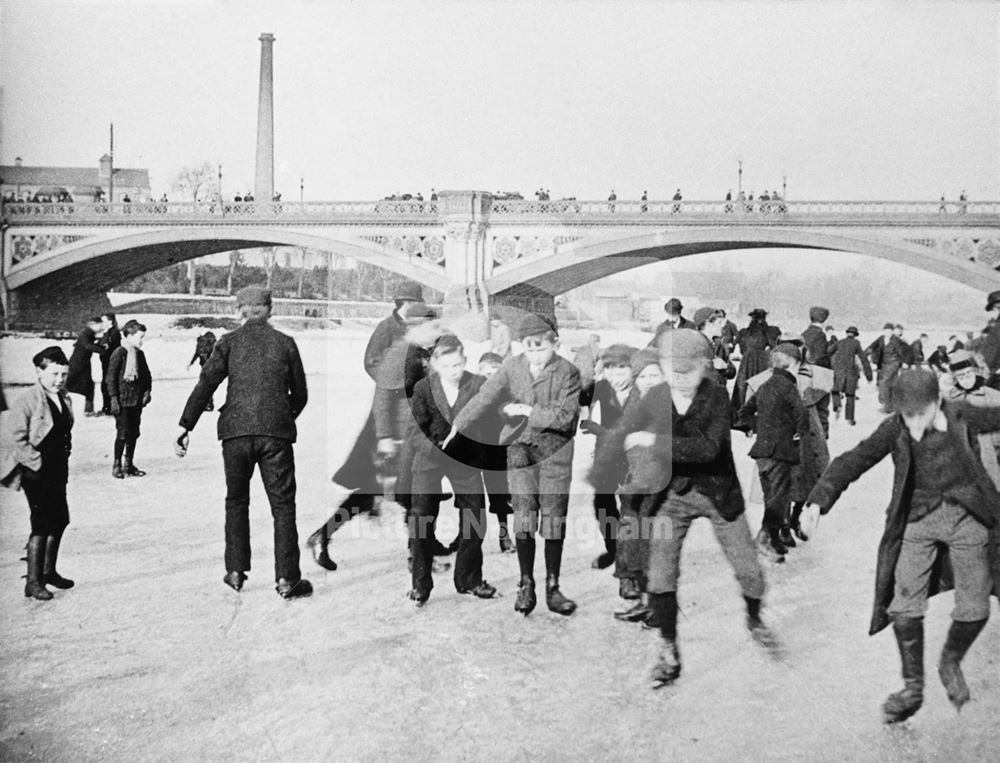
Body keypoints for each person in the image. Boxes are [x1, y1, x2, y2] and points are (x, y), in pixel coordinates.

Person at [801, 370, 1000, 723]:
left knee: (975, 607)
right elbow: (855, 458)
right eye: (907, 416)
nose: (913, 423)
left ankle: (950, 660)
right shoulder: (896, 427)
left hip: (968, 518)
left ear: (937, 402)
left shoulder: (962, 414)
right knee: (904, 605)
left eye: (919, 414)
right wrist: (818, 501)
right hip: (917, 520)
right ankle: (912, 688)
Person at [592, 330, 773, 687]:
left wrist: (653, 440)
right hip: (673, 495)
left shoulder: (716, 396)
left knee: (749, 569)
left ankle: (754, 617)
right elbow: (624, 430)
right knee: (660, 575)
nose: (681, 380)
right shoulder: (656, 395)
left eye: (689, 372)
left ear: (704, 369)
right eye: (674, 371)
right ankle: (668, 648)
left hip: (717, 493)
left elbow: (707, 448)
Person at [175, 286, 312, 599]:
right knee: (283, 506)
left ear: (240, 311)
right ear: (270, 309)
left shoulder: (229, 342)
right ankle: (286, 579)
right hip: (275, 436)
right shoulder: (286, 343)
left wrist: (186, 425)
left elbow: (206, 383)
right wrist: (280, 416)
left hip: (234, 433)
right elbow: (301, 394)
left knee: (236, 500)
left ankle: (236, 571)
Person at [445, 314, 582, 617]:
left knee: (553, 519)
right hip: (520, 450)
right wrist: (458, 423)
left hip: (555, 454)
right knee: (522, 517)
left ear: (554, 343)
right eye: (529, 348)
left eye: (541, 347)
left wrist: (525, 409)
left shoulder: (568, 373)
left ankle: (553, 588)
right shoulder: (512, 366)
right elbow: (484, 396)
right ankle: (527, 584)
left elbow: (565, 418)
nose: (534, 354)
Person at [305, 281, 425, 570]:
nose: (413, 308)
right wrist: (397, 379)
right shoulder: (387, 328)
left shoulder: (417, 328)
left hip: (406, 418)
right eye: (410, 303)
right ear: (401, 302)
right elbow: (371, 361)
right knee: (386, 488)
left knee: (396, 488)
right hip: (387, 422)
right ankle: (420, 554)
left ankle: (422, 550)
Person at [407, 335, 497, 605]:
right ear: (435, 365)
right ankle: (421, 585)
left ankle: (468, 579)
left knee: (476, 518)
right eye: (447, 367)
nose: (453, 371)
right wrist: (434, 448)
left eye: (458, 365)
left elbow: (492, 417)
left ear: (465, 361)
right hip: (429, 459)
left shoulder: (478, 384)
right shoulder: (423, 388)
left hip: (465, 459)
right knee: (422, 519)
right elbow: (413, 431)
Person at [0, 347, 75, 601]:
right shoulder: (27, 400)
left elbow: (64, 429)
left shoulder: (63, 396)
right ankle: (33, 582)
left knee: (61, 519)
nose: (59, 380)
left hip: (57, 468)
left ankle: (48, 571)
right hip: (36, 471)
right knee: (42, 523)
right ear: (38, 372)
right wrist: (37, 462)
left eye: (63, 374)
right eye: (54, 374)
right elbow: (14, 438)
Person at [739, 343, 810, 561]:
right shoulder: (789, 386)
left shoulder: (765, 385)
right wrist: (799, 433)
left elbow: (744, 411)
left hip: (762, 452)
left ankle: (775, 540)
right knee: (779, 499)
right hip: (781, 452)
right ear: (793, 365)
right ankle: (763, 539)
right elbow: (802, 415)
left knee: (772, 496)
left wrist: (755, 427)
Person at [610, 348, 664, 626]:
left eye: (655, 374)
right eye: (643, 375)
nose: (649, 379)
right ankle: (643, 599)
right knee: (634, 538)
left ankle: (656, 607)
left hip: (660, 482)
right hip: (633, 482)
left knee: (653, 543)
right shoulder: (633, 399)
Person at [579, 344, 634, 575]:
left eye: (622, 370)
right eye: (610, 370)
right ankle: (613, 549)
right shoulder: (601, 386)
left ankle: (629, 561)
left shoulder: (644, 391)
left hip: (634, 457)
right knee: (602, 504)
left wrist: (597, 429)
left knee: (632, 508)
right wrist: (590, 377)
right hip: (607, 455)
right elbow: (581, 397)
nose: (616, 377)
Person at [476, 352, 515, 553]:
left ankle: (504, 533)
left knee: (499, 492)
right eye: (486, 373)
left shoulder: (507, 392)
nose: (490, 377)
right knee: (468, 497)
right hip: (474, 448)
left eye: (495, 373)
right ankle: (462, 535)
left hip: (497, 449)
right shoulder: (472, 390)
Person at [945, 350, 1000, 488]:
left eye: (968, 374)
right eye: (960, 376)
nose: (965, 379)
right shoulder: (949, 399)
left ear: (976, 372)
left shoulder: (994, 397)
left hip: (990, 462)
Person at [105, 320, 152, 479]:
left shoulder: (139, 354)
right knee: (123, 433)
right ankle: (117, 464)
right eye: (139, 337)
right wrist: (113, 398)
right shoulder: (119, 353)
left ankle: (129, 464)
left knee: (134, 433)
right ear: (129, 336)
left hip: (136, 401)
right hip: (122, 401)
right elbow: (110, 378)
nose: (141, 341)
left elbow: (146, 375)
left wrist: (147, 391)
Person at [730, 308, 780, 429]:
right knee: (759, 386)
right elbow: (774, 346)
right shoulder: (769, 331)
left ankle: (742, 418)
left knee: (744, 386)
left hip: (747, 361)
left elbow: (742, 350)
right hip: (762, 361)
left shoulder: (744, 332)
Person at [830, 325, 872, 425]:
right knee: (850, 396)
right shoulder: (856, 343)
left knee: (835, 391)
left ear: (847, 333)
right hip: (851, 372)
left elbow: (827, 353)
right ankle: (850, 418)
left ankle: (837, 404)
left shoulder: (839, 342)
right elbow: (863, 359)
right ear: (855, 335)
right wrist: (869, 375)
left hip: (838, 371)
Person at [801, 306, 833, 437]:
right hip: (818, 374)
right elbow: (820, 357)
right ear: (824, 320)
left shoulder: (804, 333)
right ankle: (822, 437)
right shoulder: (820, 335)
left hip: (804, 374)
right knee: (822, 409)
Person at [65, 317, 103, 416]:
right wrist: (102, 350)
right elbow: (88, 345)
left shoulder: (88, 333)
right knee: (67, 385)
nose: (101, 327)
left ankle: (88, 410)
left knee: (88, 386)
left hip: (82, 363)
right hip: (78, 364)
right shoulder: (86, 333)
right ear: (93, 325)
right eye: (100, 325)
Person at [868, 322, 909, 413]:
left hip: (894, 363)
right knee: (891, 384)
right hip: (884, 364)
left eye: (890, 331)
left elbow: (906, 349)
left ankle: (887, 407)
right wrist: (862, 355)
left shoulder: (896, 339)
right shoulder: (881, 339)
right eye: (886, 331)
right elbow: (871, 347)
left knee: (883, 383)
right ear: (883, 331)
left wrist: (905, 361)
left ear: (892, 332)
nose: (888, 333)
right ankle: (891, 406)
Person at [693, 306, 736, 386]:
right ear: (709, 324)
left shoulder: (719, 344)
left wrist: (725, 366)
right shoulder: (694, 344)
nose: (722, 326)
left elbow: (732, 372)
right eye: (719, 322)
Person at [98, 312, 121, 416]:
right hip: (105, 363)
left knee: (108, 384)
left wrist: (103, 348)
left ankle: (109, 408)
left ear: (110, 321)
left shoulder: (114, 333)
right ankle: (106, 407)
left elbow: (112, 348)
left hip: (110, 362)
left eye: (103, 321)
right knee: (105, 384)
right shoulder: (107, 332)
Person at [188, 330, 218, 411]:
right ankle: (209, 404)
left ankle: (208, 404)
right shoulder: (210, 343)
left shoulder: (201, 343)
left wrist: (191, 363)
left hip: (205, 366)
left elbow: (197, 353)